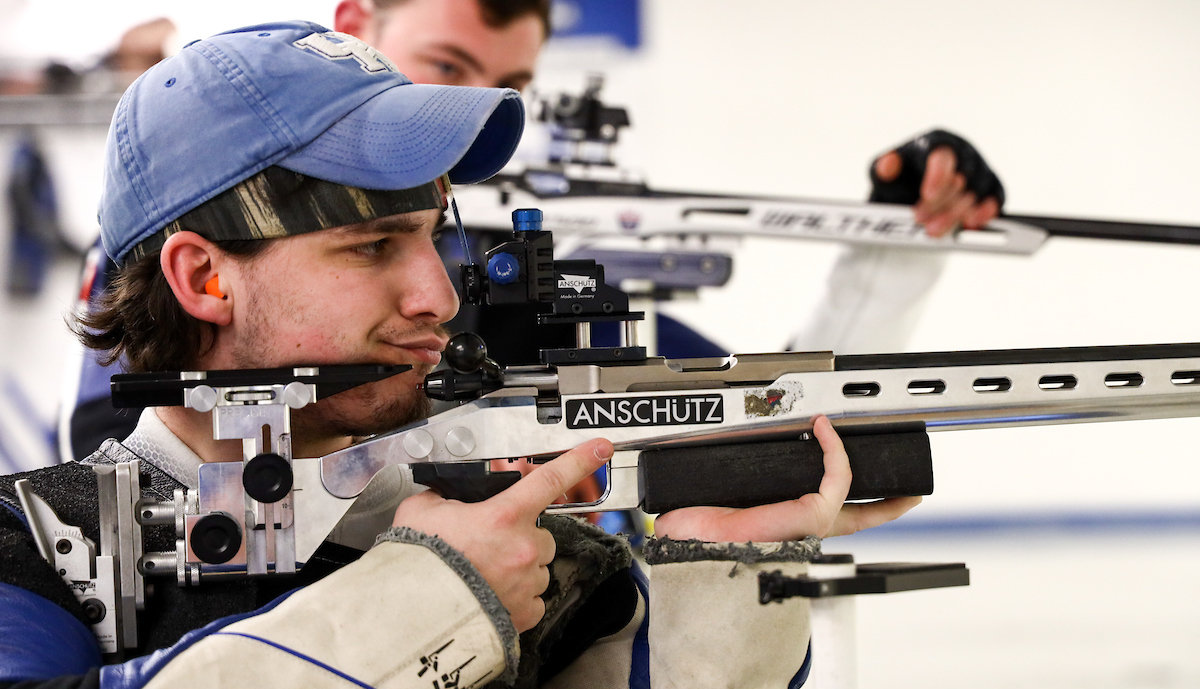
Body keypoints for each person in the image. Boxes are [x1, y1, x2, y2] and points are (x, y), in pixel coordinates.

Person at [0, 22, 919, 689]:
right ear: (203, 278)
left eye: (435, 237)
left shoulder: (551, 570)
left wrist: (713, 581)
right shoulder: (36, 544)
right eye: (371, 247)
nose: (438, 294)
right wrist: (429, 599)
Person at [59, 0, 1006, 461]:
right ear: (359, 21)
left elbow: (772, 408)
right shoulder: (197, 205)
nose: (430, 292)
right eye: (443, 64)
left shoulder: (503, 270)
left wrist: (898, 238)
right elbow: (138, 448)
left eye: (507, 87)